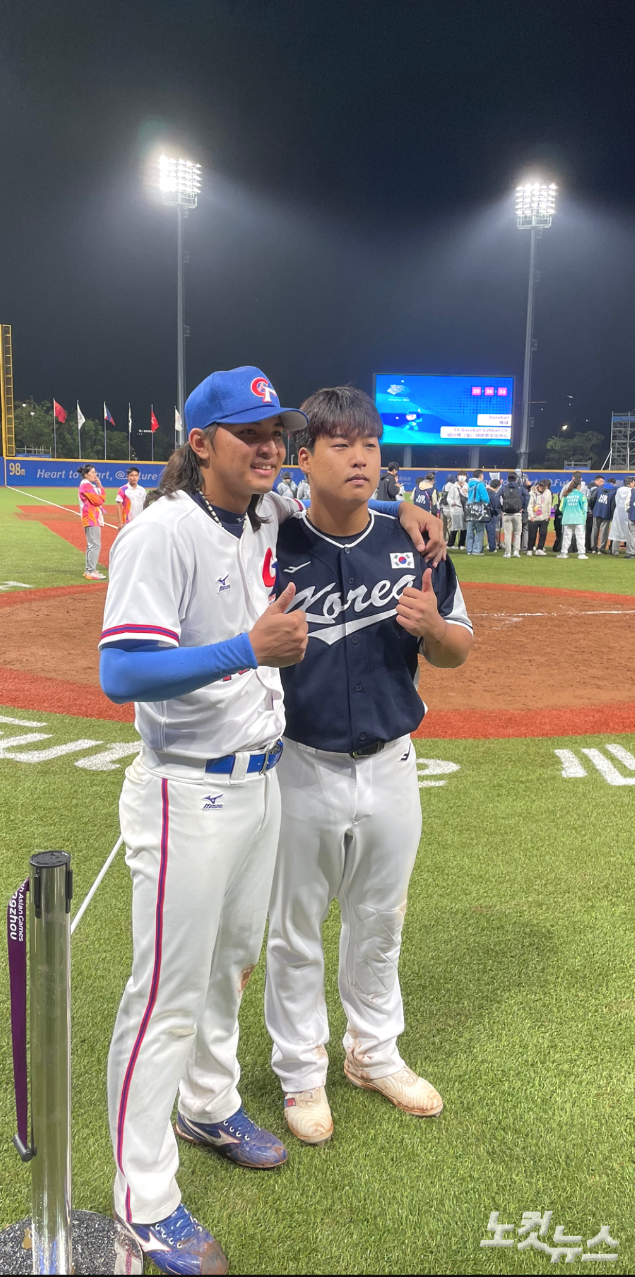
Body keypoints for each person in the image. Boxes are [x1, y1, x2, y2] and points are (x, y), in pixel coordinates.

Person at [97, 366, 445, 1274]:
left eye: (276, 432)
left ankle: (208, 1103)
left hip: (258, 784)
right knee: (164, 998)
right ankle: (144, 1197)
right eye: (247, 431)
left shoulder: (260, 517)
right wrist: (244, 650)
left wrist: (408, 508)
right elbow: (122, 674)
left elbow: (350, 500)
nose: (269, 446)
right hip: (185, 787)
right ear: (200, 442)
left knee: (231, 966)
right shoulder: (161, 532)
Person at [264, 386, 473, 1146]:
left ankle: (373, 1053)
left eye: (371, 446)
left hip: (391, 762)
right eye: (342, 444)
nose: (360, 458)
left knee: (380, 919)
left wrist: (436, 627)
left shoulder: (414, 544)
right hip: (299, 762)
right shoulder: (271, 542)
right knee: (294, 930)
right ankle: (299, 1072)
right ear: (304, 457)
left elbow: (458, 651)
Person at [78, 464, 107, 580]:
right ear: (86, 474)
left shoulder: (88, 485)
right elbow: (99, 500)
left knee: (92, 545)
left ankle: (89, 570)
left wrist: (99, 486)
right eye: (93, 472)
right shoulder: (86, 485)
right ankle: (91, 571)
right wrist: (100, 486)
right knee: (95, 545)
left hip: (91, 517)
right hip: (91, 517)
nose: (95, 475)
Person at [558, 473, 588, 559]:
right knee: (580, 537)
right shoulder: (582, 496)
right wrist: (583, 518)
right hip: (579, 519)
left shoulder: (566, 495)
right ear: (579, 486)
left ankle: (563, 553)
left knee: (566, 537)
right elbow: (584, 509)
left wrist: (567, 512)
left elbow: (561, 508)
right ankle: (581, 553)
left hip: (567, 519)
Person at [465, 469, 490, 555]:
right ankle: (476, 550)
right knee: (479, 530)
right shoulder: (480, 484)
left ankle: (469, 549)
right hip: (478, 507)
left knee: (470, 529)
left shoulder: (469, 484)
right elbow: (486, 498)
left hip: (469, 507)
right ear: (480, 476)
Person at [501, 470, 525, 558]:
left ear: (507, 479)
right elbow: (527, 496)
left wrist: (501, 508)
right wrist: (523, 507)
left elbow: (496, 497)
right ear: (516, 479)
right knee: (517, 533)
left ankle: (507, 552)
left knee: (507, 533)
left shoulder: (504, 488)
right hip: (517, 514)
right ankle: (516, 551)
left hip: (507, 513)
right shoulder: (520, 488)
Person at [589, 477, 615, 554]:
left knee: (594, 530)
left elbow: (592, 499)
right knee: (604, 532)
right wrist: (611, 514)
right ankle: (601, 549)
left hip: (597, 512)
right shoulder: (614, 491)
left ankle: (593, 548)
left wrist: (593, 508)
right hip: (606, 513)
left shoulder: (599, 489)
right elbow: (613, 504)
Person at [526, 480, 551, 555]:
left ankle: (540, 548)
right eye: (542, 488)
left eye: (545, 488)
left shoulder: (548, 492)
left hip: (544, 516)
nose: (544, 490)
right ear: (539, 486)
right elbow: (530, 505)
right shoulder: (532, 493)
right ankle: (530, 549)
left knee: (543, 533)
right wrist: (531, 515)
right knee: (532, 534)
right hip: (534, 517)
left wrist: (548, 514)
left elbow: (549, 504)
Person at [608, 481, 632, 555]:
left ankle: (614, 551)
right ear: (630, 483)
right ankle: (629, 552)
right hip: (629, 513)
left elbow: (615, 502)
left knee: (616, 533)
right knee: (630, 534)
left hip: (618, 513)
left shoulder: (618, 490)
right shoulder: (632, 491)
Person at [447, 471, 467, 549]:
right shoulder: (453, 487)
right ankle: (451, 543)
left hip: (464, 509)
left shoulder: (467, 486)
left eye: (464, 475)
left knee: (464, 527)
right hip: (456, 508)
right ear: (457, 477)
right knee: (454, 527)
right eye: (460, 475)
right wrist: (452, 502)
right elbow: (449, 497)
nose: (462, 477)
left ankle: (461, 544)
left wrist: (466, 493)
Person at [486, 479, 502, 552]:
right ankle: (492, 547)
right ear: (498, 486)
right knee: (491, 532)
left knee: (479, 532)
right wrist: (499, 512)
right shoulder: (494, 494)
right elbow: (496, 506)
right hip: (491, 514)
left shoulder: (485, 492)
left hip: (481, 514)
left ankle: (477, 547)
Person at [623, 478, 635, 558]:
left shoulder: (632, 491)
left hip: (633, 515)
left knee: (631, 535)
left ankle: (631, 552)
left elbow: (627, 504)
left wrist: (629, 512)